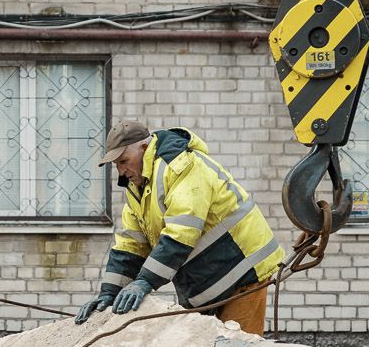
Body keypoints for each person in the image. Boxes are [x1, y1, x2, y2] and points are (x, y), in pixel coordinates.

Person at [74, 120, 285, 334]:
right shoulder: (138, 187)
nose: (121, 170)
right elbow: (130, 245)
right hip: (208, 280)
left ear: (144, 149)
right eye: (116, 164)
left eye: (124, 160)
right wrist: (108, 295)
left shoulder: (180, 165)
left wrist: (145, 281)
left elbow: (181, 232)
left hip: (243, 271)